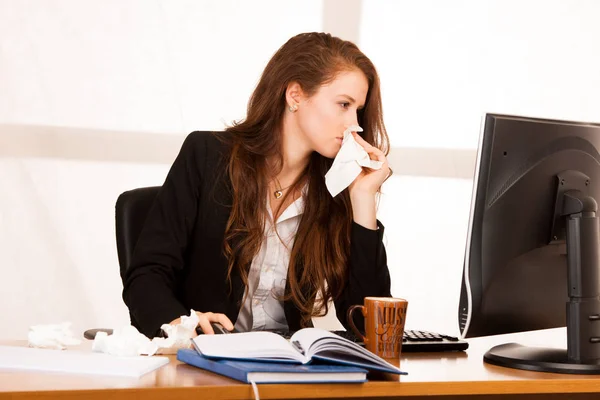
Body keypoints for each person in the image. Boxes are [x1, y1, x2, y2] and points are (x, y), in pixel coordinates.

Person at [123, 32, 392, 338]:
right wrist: (181, 326)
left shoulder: (335, 189)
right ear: (295, 96)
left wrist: (363, 198)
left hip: (285, 368)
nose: (354, 123)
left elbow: (372, 326)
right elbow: (146, 277)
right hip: (202, 360)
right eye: (343, 104)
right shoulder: (207, 157)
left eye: (358, 109)